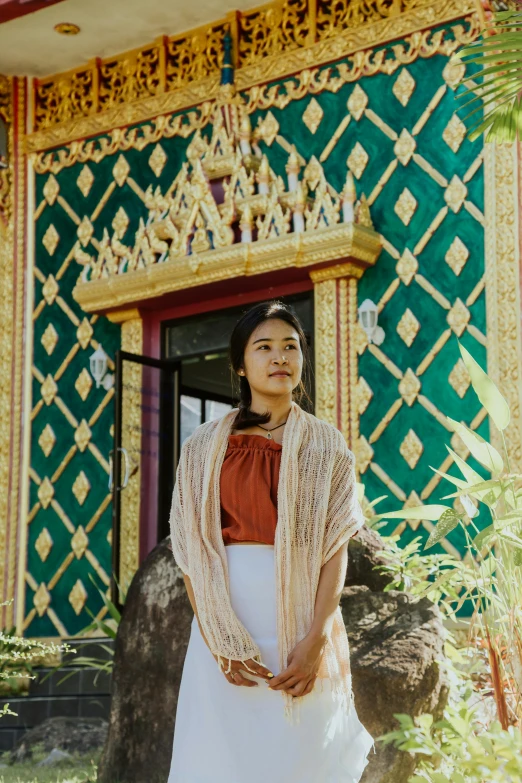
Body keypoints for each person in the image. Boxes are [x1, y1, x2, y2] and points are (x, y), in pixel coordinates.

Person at [167, 299, 375, 782]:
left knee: (301, 757)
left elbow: (335, 548)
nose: (280, 356)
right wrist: (216, 634)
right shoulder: (202, 446)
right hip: (223, 626)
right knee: (220, 760)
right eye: (264, 347)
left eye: (291, 346)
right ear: (241, 365)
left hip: (299, 625)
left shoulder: (327, 446)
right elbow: (191, 551)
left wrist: (317, 638)